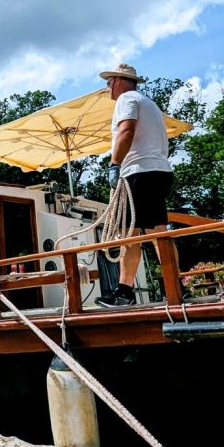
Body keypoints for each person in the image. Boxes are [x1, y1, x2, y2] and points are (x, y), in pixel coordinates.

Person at [96, 63, 173, 307]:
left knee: (128, 234)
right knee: (156, 231)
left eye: (109, 82)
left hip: (139, 172)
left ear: (120, 80)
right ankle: (173, 285)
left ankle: (124, 293)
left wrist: (114, 164)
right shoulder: (150, 104)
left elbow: (126, 131)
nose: (108, 87)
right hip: (159, 170)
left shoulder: (127, 99)